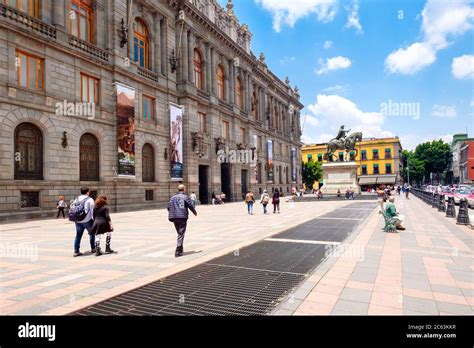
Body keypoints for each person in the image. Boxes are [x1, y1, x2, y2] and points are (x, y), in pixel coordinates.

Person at [168, 185, 197, 257]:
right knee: (181, 233)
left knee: (179, 233)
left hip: (174, 217)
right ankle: (178, 250)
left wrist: (173, 212)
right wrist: (194, 212)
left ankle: (180, 248)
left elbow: (168, 207)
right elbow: (190, 205)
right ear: (184, 189)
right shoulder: (185, 197)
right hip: (182, 217)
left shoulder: (173, 197)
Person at [72, 187, 96, 257]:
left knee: (78, 236)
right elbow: (92, 211)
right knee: (92, 234)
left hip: (78, 221)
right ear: (87, 192)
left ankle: (76, 251)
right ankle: (93, 248)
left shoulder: (76, 199)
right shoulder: (90, 199)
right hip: (87, 220)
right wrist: (94, 220)